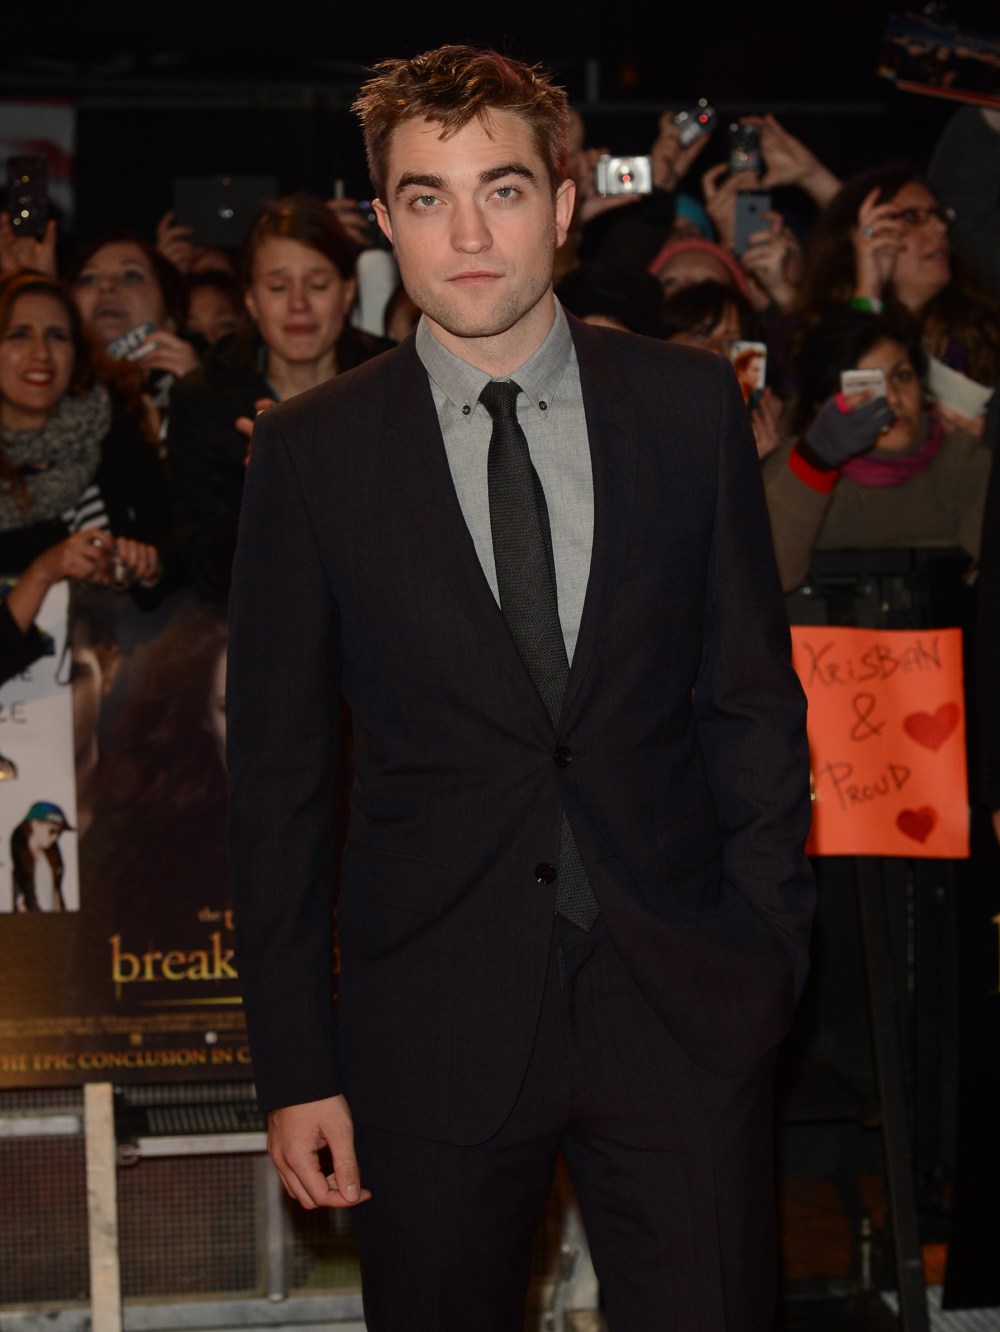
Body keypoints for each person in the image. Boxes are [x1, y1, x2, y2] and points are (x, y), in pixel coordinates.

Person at [228, 45, 814, 1332]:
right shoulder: (312, 454)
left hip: (681, 1004)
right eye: (426, 198)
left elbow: (750, 708)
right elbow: (278, 785)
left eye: (499, 189)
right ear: (382, 222)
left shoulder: (687, 406)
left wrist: (767, 953)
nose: (468, 235)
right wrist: (296, 1064)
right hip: (428, 1021)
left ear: (560, 202)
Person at [167, 194, 391, 603]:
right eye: (277, 287)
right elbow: (206, 570)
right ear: (250, 299)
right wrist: (265, 487)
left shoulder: (393, 380)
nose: (298, 304)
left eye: (318, 285)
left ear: (347, 292)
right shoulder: (203, 397)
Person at [763, 312, 989, 595]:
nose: (892, 398)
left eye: (902, 376)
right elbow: (767, 581)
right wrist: (817, 459)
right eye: (867, 385)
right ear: (823, 404)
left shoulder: (961, 459)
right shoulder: (791, 467)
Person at [0, 270, 168, 596]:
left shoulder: (105, 421)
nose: (41, 354)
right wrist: (47, 568)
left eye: (57, 336)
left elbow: (170, 539)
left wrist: (147, 564)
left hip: (111, 625)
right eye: (19, 335)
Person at [10, 801, 73, 912]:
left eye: (59, 833)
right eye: (51, 831)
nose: (55, 837)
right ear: (35, 824)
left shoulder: (53, 860)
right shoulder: (15, 861)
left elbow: (56, 892)